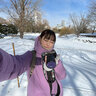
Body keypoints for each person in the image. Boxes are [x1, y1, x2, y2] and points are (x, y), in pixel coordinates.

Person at [0, 29, 66, 96]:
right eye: (46, 40)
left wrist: (57, 65)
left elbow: (62, 76)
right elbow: (15, 66)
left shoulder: (54, 56)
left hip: (57, 93)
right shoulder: (31, 56)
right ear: (40, 39)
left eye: (51, 41)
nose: (48, 44)